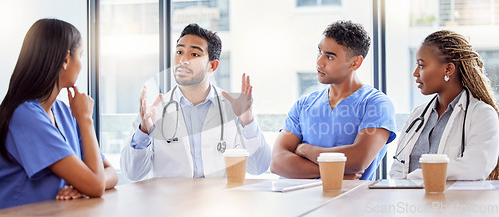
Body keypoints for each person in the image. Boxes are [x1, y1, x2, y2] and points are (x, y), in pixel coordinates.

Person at [120, 23, 271, 180]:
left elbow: (258, 167)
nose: (183, 60)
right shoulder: (155, 110)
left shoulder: (234, 109)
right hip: (170, 202)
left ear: (212, 66)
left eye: (194, 55)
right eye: (179, 52)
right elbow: (133, 173)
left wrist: (248, 122)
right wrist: (143, 131)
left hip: (219, 202)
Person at [0, 19, 118, 209]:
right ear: (65, 59)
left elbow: (110, 173)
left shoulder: (64, 111)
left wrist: (82, 186)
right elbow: (96, 185)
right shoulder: (25, 116)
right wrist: (86, 120)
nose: (81, 63)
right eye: (80, 55)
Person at [270, 20, 396, 180]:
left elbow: (357, 160)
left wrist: (305, 150)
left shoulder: (376, 104)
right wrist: (335, 170)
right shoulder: (304, 104)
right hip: (297, 202)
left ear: (355, 62)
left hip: (350, 203)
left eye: (329, 57)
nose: (319, 62)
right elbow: (277, 162)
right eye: (319, 52)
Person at [390, 30, 499, 180]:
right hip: (408, 202)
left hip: (455, 203)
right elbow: (397, 169)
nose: (415, 73)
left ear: (448, 69)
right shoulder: (417, 115)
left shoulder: (482, 115)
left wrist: (415, 178)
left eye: (421, 66)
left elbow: (474, 168)